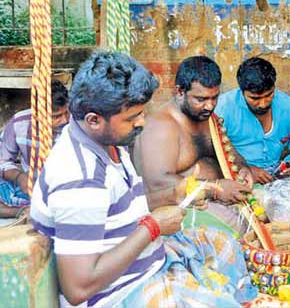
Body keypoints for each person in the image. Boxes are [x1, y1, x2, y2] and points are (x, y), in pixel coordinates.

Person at [29, 51, 257, 308]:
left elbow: (122, 207)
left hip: (149, 258)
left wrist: (177, 193)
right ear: (93, 120)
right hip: (120, 294)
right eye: (132, 117)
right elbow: (78, 287)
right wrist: (153, 228)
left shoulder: (109, 143)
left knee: (223, 244)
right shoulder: (80, 179)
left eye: (141, 112)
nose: (142, 122)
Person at [134, 55, 254, 233]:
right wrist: (215, 189)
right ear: (180, 92)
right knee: (243, 230)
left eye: (214, 98)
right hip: (184, 206)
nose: (209, 106)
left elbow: (229, 152)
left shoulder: (207, 118)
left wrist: (243, 167)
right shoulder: (160, 127)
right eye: (201, 99)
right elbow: (157, 183)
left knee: (271, 209)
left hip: (219, 197)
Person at [215, 57, 290, 207]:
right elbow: (213, 151)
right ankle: (277, 206)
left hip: (277, 176)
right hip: (240, 176)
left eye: (269, 95)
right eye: (255, 98)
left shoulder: (289, 107)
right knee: (229, 190)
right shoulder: (223, 107)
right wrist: (245, 169)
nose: (263, 103)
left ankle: (271, 207)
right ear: (242, 92)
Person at [0, 80, 70, 217]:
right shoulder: (19, 123)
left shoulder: (76, 125)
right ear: (37, 114)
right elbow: (2, 161)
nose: (65, 120)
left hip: (67, 191)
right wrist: (20, 177)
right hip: (31, 190)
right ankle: (20, 212)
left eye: (66, 113)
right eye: (56, 116)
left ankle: (27, 211)